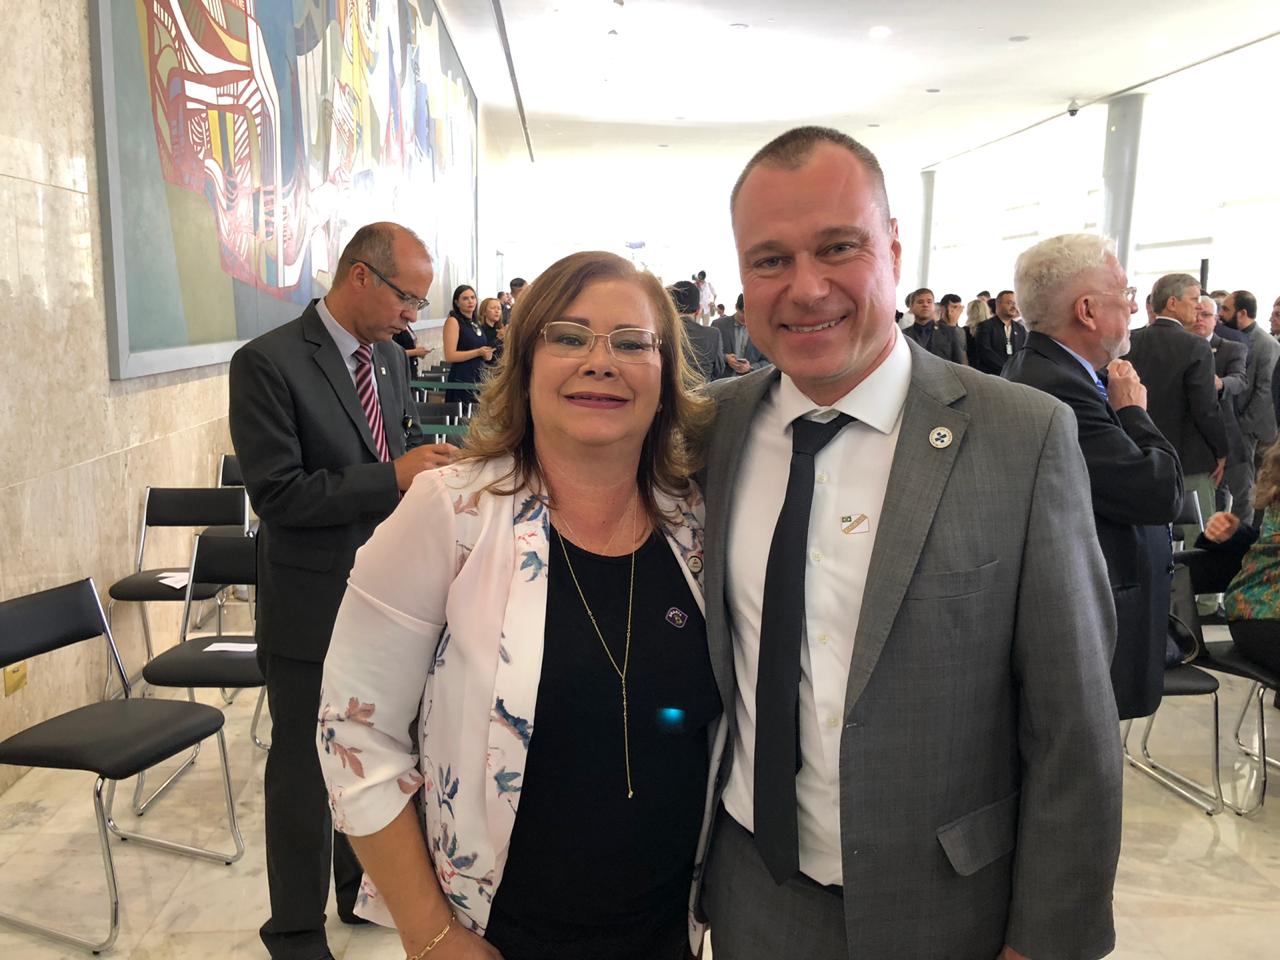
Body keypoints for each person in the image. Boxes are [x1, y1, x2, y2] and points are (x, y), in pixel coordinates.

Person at [700, 125, 1121, 960]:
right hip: (753, 895)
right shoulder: (711, 427)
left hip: (950, 909)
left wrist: (1045, 942)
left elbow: (1074, 725)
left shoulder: (1021, 435)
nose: (806, 288)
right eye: (771, 259)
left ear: (892, 249)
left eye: (838, 247)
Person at [317, 250, 721, 960]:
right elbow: (353, 734)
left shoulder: (699, 523)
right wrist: (430, 935)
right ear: (525, 362)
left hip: (672, 932)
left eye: (632, 343)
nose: (601, 362)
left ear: (666, 375)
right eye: (569, 337)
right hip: (498, 935)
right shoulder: (453, 514)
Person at [229, 222, 456, 960]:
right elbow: (279, 495)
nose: (412, 316)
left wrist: (428, 466)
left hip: (387, 596)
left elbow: (390, 448)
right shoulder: (267, 363)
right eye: (406, 298)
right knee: (304, 766)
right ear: (361, 276)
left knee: (374, 752)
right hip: (310, 601)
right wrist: (392, 476)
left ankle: (358, 888)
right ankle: (294, 930)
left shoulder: (387, 357)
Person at [1003, 233, 1183, 721]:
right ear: (1087, 310)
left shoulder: (1049, 371)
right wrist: (1134, 413)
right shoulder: (1060, 388)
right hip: (1091, 620)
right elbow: (1157, 492)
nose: (1134, 307)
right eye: (1125, 294)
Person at [1124, 273, 1228, 545]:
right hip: (1188, 459)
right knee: (1198, 542)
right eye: (1193, 299)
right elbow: (1206, 409)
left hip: (1139, 455)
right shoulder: (1195, 346)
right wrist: (1221, 450)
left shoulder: (1129, 341)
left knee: (1147, 538)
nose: (1199, 306)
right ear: (1172, 303)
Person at [1223, 289, 1280, 526]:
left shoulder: (1266, 344)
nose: (1221, 314)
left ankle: (1249, 534)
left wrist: (1243, 425)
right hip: (1236, 426)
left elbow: (1265, 391)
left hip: (1256, 430)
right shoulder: (1229, 338)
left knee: (1256, 489)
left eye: (1226, 309)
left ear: (1242, 312)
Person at [1194, 295, 1250, 514]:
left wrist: (1221, 383)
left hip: (1224, 431)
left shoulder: (1232, 348)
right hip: (1191, 438)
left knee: (1235, 496)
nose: (1199, 319)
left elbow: (1240, 380)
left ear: (1216, 319)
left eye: (1206, 315)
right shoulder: (1179, 346)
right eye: (1196, 313)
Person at [443, 284, 493, 406]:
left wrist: (486, 355)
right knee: (463, 414)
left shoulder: (475, 323)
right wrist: (478, 352)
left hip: (478, 375)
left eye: (472, 297)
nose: (470, 301)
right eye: (465, 298)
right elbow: (450, 356)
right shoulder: (453, 321)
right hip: (462, 376)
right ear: (457, 302)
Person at [671, 279, 727, 382]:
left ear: (671, 305)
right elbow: (718, 370)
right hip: (703, 390)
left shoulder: (662, 333)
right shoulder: (713, 335)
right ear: (697, 309)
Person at [901, 287, 966, 363]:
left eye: (929, 302)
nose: (925, 305)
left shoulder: (949, 332)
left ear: (934, 306)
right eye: (920, 302)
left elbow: (958, 362)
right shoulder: (903, 335)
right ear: (911, 307)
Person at [971, 290, 1028, 375]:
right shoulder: (985, 327)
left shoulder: (1020, 329)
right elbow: (985, 353)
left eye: (1015, 303)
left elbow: (1024, 352)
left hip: (1015, 376)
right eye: (1010, 303)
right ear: (998, 304)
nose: (1014, 307)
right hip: (992, 376)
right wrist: (1006, 369)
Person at [713, 293, 769, 376]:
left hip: (750, 381)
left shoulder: (763, 331)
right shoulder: (718, 325)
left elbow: (769, 362)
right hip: (722, 380)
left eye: (751, 314)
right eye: (743, 312)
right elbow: (709, 354)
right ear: (736, 307)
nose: (746, 317)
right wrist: (725, 358)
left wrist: (751, 367)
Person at [478, 295, 506, 366]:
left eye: (499, 308)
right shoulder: (479, 330)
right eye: (493, 308)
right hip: (486, 369)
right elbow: (485, 354)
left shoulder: (499, 329)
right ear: (484, 312)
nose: (497, 311)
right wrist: (498, 338)